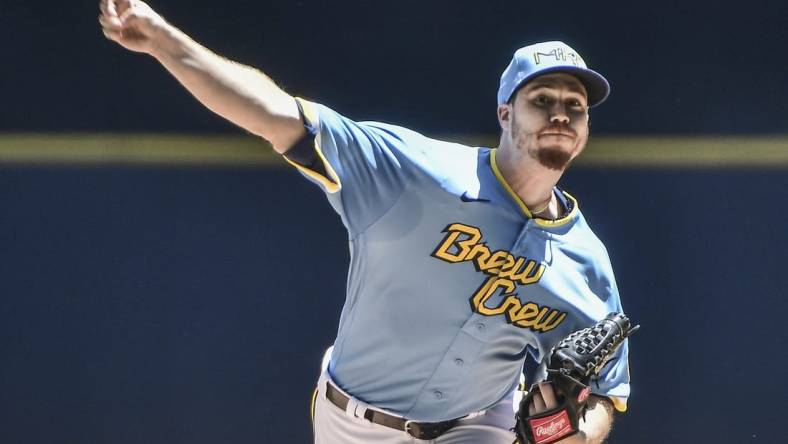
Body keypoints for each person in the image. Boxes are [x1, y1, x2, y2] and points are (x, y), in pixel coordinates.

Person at [99, 1, 633, 443]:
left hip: (477, 427)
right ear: (504, 113)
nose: (561, 113)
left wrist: (580, 435)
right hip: (354, 423)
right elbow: (275, 114)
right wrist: (164, 41)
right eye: (542, 100)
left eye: (575, 106)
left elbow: (609, 392)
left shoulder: (585, 260)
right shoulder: (415, 171)